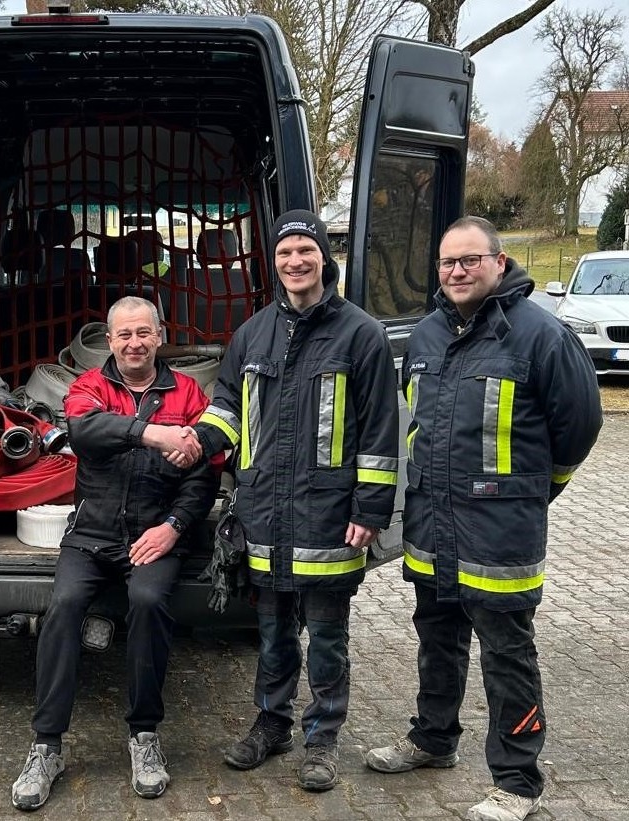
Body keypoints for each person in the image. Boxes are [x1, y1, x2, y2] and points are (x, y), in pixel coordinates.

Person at [365, 216, 602, 821]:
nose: (458, 271)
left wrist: (532, 493)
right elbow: (418, 424)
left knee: (507, 654)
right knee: (436, 638)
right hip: (431, 525)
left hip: (500, 532)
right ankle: (433, 739)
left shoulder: (542, 336)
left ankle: (518, 781)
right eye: (448, 262)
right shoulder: (425, 335)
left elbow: (579, 427)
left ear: (499, 263)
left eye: (470, 260)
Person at [188, 209, 399, 792]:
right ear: (273, 262)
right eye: (285, 253)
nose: (295, 261)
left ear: (324, 258)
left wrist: (370, 510)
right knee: (273, 631)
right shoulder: (252, 333)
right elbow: (227, 406)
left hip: (328, 514)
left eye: (306, 250)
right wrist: (199, 439)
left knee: (328, 636)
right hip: (264, 511)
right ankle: (272, 723)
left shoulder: (361, 334)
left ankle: (323, 738)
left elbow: (380, 430)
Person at [10, 296, 219, 811]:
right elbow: (85, 432)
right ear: (109, 340)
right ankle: (46, 746)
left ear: (159, 336)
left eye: (143, 333)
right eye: (124, 334)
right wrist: (153, 433)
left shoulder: (188, 392)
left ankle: (144, 735)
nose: (134, 343)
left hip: (154, 533)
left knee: (148, 602)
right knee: (62, 608)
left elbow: (203, 476)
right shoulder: (89, 386)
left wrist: (174, 527)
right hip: (92, 534)